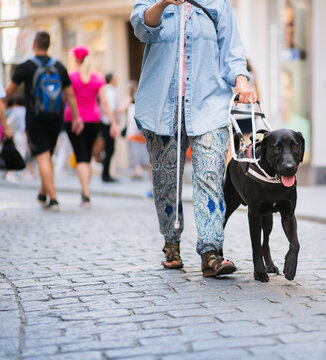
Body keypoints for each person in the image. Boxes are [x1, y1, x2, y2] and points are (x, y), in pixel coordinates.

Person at [131, 0, 256, 276]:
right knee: (166, 180)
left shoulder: (217, 3)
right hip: (162, 105)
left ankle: (211, 251)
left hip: (208, 104)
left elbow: (231, 49)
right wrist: (163, 3)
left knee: (209, 176)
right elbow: (142, 29)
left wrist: (241, 79)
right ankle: (171, 241)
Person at [5, 31, 83, 211]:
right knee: (47, 157)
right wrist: (77, 116)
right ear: (48, 45)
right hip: (56, 119)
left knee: (43, 156)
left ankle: (53, 199)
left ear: (34, 44)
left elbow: (7, 92)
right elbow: (70, 94)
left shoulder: (26, 67)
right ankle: (42, 192)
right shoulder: (59, 67)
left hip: (35, 119)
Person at [64, 44, 118, 208]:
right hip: (93, 120)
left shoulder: (71, 77)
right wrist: (113, 123)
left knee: (80, 155)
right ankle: (85, 192)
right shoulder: (97, 78)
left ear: (76, 59)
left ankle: (85, 193)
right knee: (86, 156)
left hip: (73, 120)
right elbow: (105, 103)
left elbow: (65, 99)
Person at [100, 73, 120, 182]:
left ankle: (106, 174)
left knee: (108, 149)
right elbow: (110, 109)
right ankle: (105, 175)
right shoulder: (111, 91)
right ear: (111, 80)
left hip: (106, 123)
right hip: (108, 124)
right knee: (109, 149)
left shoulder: (106, 90)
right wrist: (114, 124)